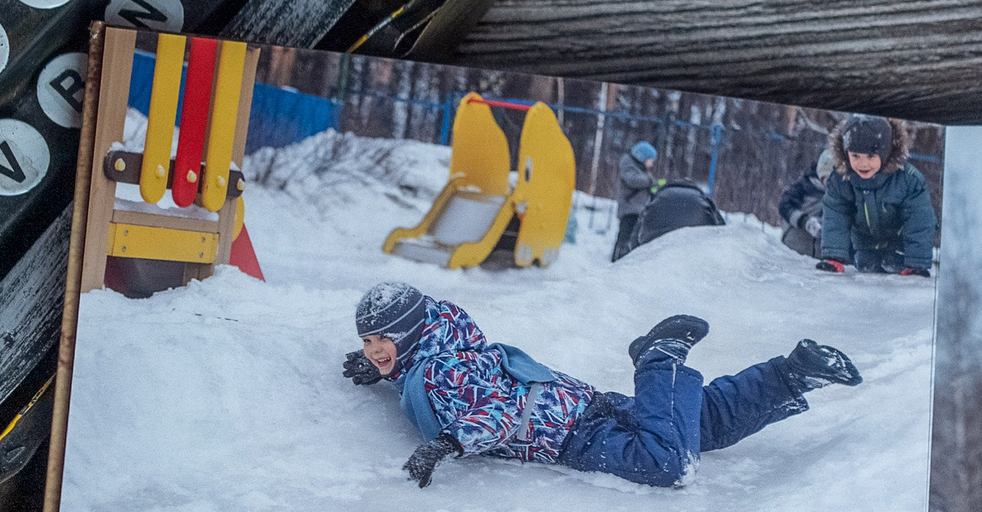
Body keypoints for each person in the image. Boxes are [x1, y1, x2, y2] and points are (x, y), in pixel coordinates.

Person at [343, 283, 864, 490]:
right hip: (574, 407)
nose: (373, 350)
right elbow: (451, 387)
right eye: (367, 341)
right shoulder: (441, 352)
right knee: (696, 424)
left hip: (571, 435)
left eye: (382, 340)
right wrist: (386, 373)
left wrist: (449, 443)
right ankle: (793, 374)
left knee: (667, 462)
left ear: (412, 332)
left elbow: (495, 412)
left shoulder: (439, 369)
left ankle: (660, 359)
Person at [816, 114, 935, 277]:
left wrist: (916, 263)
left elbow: (919, 222)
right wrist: (833, 257)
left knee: (893, 264)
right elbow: (836, 216)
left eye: (871, 156)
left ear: (885, 153)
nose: (863, 164)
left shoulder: (908, 180)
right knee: (866, 266)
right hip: (865, 244)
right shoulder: (841, 179)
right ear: (845, 153)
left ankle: (901, 259)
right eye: (855, 156)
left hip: (899, 244)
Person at [777, 141, 834, 258]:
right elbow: (785, 206)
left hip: (822, 256)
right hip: (793, 250)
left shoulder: (842, 194)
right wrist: (804, 221)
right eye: (827, 178)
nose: (830, 182)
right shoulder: (804, 186)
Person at [612, 138, 657, 262]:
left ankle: (626, 259)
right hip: (629, 208)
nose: (652, 164)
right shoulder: (628, 165)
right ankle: (617, 259)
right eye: (650, 160)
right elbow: (633, 180)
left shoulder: (642, 170)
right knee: (625, 236)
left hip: (638, 209)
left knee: (634, 237)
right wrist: (650, 182)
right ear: (642, 157)